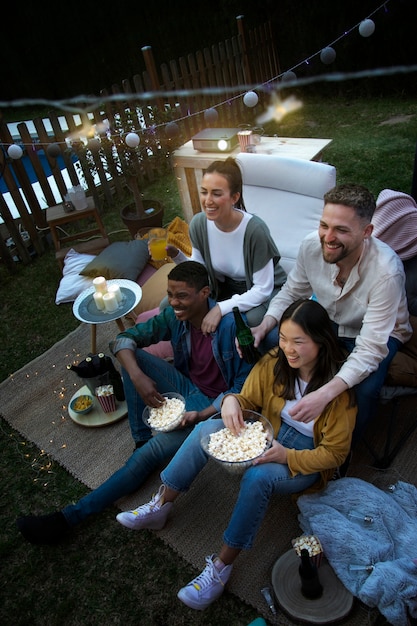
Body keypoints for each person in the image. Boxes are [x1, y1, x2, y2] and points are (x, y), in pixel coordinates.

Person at [115, 299, 356, 610]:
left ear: (322, 341)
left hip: (305, 457)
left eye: (299, 341)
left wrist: (288, 457)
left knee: (258, 476)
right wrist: (230, 400)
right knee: (205, 430)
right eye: (283, 338)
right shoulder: (274, 361)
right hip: (267, 432)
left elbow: (335, 454)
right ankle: (160, 505)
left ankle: (220, 567)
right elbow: (246, 398)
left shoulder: (338, 391)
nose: (288, 349)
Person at [16, 261, 253, 545]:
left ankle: (68, 518)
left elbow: (242, 387)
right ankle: (141, 439)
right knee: (132, 360)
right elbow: (123, 339)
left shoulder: (228, 327)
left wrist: (201, 413)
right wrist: (138, 377)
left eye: (182, 296)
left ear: (204, 293)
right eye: (170, 294)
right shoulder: (173, 318)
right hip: (185, 386)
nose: (174, 303)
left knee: (146, 457)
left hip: (212, 409)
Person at [251, 183, 412, 449]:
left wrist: (325, 394)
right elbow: (292, 291)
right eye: (325, 225)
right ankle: (288, 409)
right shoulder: (311, 246)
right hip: (330, 320)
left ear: (366, 232)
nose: (328, 237)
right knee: (270, 339)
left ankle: (344, 450)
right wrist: (265, 323)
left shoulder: (387, 272)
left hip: (381, 333)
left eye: (341, 230)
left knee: (363, 389)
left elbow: (371, 348)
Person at [165, 157, 287, 333]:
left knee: (247, 320)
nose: (207, 201)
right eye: (204, 192)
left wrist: (220, 308)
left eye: (216, 193)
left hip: (264, 288)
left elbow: (262, 289)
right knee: (172, 305)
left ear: (234, 197)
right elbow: (199, 271)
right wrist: (178, 256)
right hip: (223, 287)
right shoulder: (199, 224)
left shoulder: (255, 231)